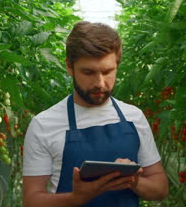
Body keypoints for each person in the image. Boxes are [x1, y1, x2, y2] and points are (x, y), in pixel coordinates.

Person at [22, 21, 169, 207]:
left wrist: (134, 180)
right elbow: (31, 200)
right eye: (88, 72)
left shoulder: (134, 117)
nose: (100, 83)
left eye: (108, 71)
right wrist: (76, 198)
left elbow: (161, 188)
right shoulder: (44, 124)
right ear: (70, 67)